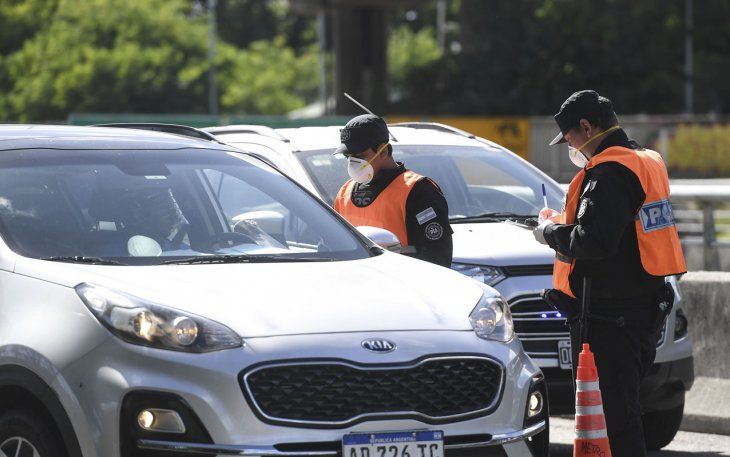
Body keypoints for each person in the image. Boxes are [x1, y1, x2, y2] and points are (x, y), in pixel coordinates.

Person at [533, 90, 686, 457]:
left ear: (586, 127)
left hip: (611, 317)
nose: (569, 146)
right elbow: (621, 233)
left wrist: (550, 233)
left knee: (612, 420)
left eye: (569, 137)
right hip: (642, 306)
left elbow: (593, 241)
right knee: (620, 413)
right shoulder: (645, 161)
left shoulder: (609, 172)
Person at [333, 114, 453, 267]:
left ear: (383, 151)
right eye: (348, 156)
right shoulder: (344, 193)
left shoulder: (418, 191)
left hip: (403, 285)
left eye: (359, 155)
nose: (352, 162)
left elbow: (437, 259)